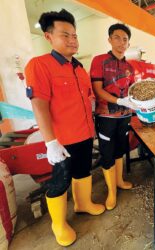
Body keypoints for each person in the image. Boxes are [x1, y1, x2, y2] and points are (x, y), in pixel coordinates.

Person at [25, 9, 105, 247]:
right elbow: (39, 105)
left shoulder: (80, 69)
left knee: (83, 171)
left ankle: (83, 204)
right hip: (61, 141)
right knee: (60, 182)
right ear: (48, 37)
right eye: (65, 35)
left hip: (83, 134)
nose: (73, 40)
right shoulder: (39, 65)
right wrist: (50, 142)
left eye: (75, 35)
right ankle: (58, 224)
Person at [90, 23, 138, 211]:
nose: (121, 42)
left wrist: (135, 103)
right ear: (109, 39)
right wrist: (120, 101)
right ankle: (111, 191)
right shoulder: (99, 61)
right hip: (106, 117)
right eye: (116, 38)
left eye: (125, 39)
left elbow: (133, 91)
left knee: (120, 150)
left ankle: (119, 181)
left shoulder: (130, 67)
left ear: (128, 43)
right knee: (107, 153)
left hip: (125, 116)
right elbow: (97, 90)